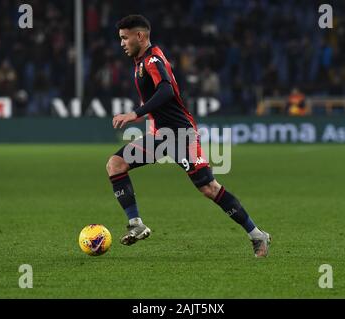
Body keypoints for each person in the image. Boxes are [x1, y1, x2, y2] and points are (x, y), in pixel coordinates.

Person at [107, 15, 271, 257]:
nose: (121, 43)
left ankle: (257, 235)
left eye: (124, 37)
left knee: (208, 188)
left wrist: (136, 114)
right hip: (160, 137)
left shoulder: (152, 60)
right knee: (116, 164)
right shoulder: (141, 61)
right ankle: (136, 224)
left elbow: (166, 90)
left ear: (139, 36)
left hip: (181, 135)